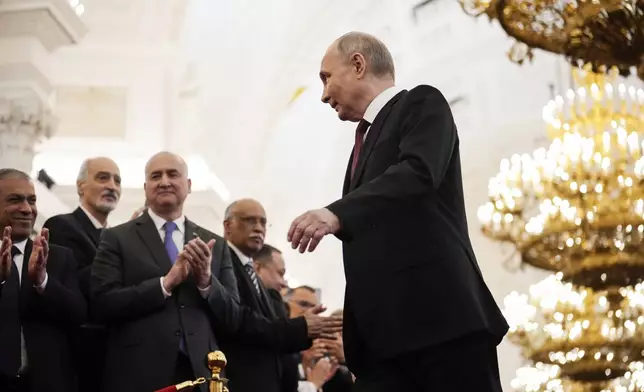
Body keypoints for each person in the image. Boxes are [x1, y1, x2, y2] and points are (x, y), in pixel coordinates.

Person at [287, 32, 509, 391]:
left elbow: (419, 172)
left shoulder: (421, 103)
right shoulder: (360, 145)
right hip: (383, 345)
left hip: (441, 325)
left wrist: (337, 213)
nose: (324, 94)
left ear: (358, 64)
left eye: (327, 78)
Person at [92, 152, 339, 392]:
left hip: (203, 374)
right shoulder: (116, 237)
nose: (165, 181)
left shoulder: (213, 244)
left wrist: (207, 283)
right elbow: (102, 303)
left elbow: (233, 315)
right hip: (139, 372)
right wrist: (164, 284)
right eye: (156, 176)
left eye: (173, 174)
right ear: (146, 187)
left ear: (188, 185)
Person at [0, 169, 86, 392]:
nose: (27, 209)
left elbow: (78, 314)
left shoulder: (57, 257)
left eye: (32, 200)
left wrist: (43, 282)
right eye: (15, 200)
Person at [43, 157, 121, 392]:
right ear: (80, 186)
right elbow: (77, 287)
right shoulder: (61, 226)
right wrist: (125, 247)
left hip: (115, 362)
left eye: (117, 181)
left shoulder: (118, 237)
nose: (112, 186)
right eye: (102, 178)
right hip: (78, 361)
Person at [219, 199, 312, 392]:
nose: (258, 228)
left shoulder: (251, 272)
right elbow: (241, 320)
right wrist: (300, 326)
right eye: (250, 220)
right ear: (228, 226)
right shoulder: (219, 262)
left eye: (263, 222)